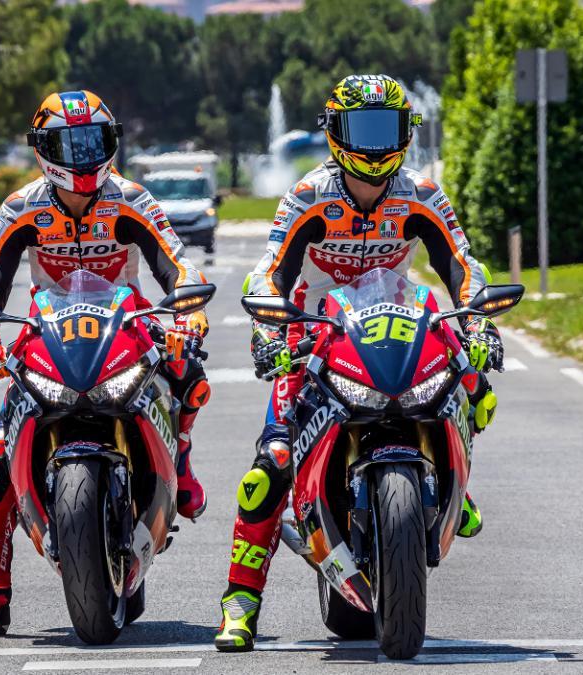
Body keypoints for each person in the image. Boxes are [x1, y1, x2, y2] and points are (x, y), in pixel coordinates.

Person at [213, 74, 504, 652]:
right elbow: (271, 270)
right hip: (316, 334)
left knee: (472, 381)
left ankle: (456, 487)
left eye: (386, 130)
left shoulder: (421, 193)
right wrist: (270, 329)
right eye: (361, 130)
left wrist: (476, 321)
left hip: (397, 323)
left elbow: (462, 265)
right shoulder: (307, 196)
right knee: (269, 465)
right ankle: (240, 601)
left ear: (405, 134)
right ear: (335, 133)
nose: (374, 146)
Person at [0, 90, 212, 637]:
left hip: (127, 321)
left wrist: (188, 311)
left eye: (93, 142)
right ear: (43, 149)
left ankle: (182, 460)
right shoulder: (20, 207)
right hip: (45, 332)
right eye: (68, 144)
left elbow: (177, 266)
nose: (81, 156)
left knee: (188, 371)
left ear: (112, 142)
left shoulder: (131, 199)